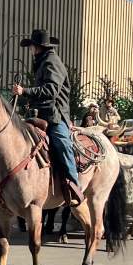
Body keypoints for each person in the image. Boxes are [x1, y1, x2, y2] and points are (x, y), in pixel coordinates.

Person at [11, 28, 83, 205]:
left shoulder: (52, 62)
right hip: (42, 113)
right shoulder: (42, 62)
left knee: (62, 143)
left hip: (55, 115)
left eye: (31, 46)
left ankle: (74, 186)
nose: (30, 49)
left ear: (38, 47)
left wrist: (25, 91)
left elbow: (51, 90)